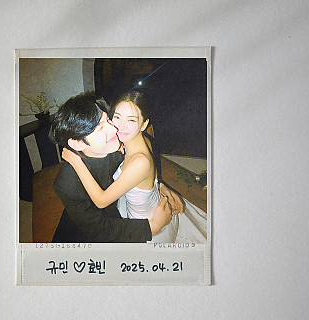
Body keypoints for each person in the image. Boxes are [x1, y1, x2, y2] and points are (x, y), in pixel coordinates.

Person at [61, 89, 207, 243]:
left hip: (147, 224)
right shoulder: (135, 142)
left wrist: (76, 162)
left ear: (144, 125)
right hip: (142, 208)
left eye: (131, 120)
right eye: (117, 117)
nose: (118, 127)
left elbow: (102, 200)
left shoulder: (138, 160)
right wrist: (160, 186)